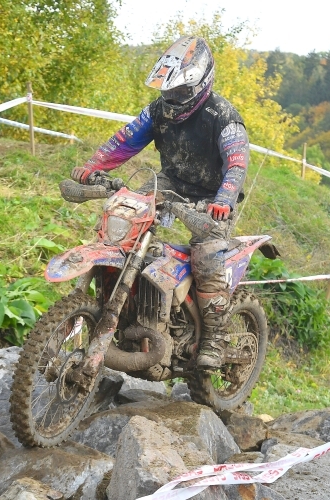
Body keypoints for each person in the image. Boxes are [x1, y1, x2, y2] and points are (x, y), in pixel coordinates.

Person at [70, 36, 249, 369]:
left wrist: (224, 199)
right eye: (170, 90)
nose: (173, 98)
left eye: (181, 92)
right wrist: (96, 165)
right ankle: (119, 306)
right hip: (169, 184)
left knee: (207, 255)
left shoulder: (223, 116)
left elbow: (236, 163)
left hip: (212, 198)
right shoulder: (159, 109)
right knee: (125, 217)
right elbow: (125, 140)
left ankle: (213, 337)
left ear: (200, 83)